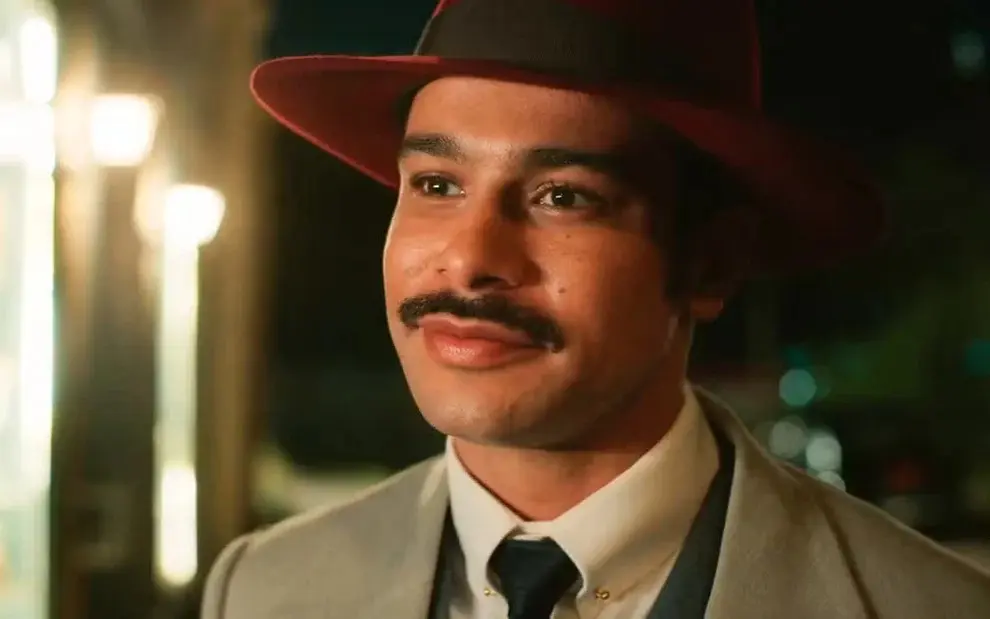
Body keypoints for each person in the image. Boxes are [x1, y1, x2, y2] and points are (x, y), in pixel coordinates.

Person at [202, 1, 990, 617]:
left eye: (562, 196)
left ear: (711, 260)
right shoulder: (266, 590)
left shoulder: (929, 606)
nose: (471, 259)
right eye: (437, 185)